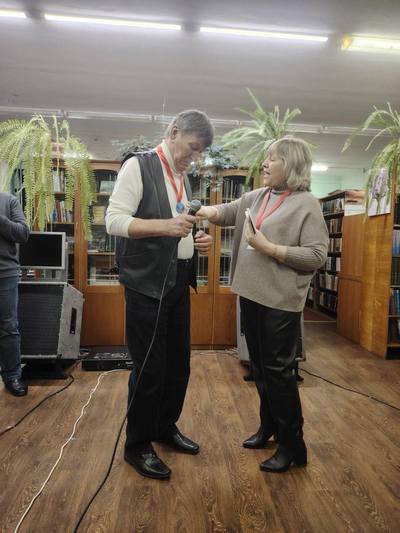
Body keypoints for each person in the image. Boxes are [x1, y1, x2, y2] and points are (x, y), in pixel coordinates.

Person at [197, 136, 328, 473]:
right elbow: (227, 212)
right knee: (260, 368)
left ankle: (293, 445)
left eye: (273, 158)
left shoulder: (307, 204)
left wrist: (269, 248)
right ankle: (269, 427)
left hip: (280, 301)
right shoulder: (258, 196)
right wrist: (203, 211)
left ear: (292, 165)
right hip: (251, 295)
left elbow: (317, 255)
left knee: (279, 373)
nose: (265, 164)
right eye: (267, 157)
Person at [105, 110, 214, 480]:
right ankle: (137, 445)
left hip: (178, 281)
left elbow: (179, 226)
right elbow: (114, 221)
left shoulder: (181, 177)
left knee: (178, 365)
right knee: (149, 368)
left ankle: (164, 427)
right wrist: (167, 227)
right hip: (146, 284)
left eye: (199, 153)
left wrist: (197, 240)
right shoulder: (138, 167)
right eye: (192, 148)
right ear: (174, 131)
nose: (194, 158)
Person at [0, 192, 30, 396]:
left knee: (8, 327)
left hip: (5, 273)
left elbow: (23, 234)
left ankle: (12, 376)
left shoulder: (8, 200)